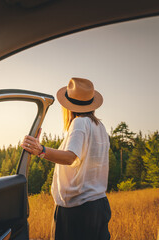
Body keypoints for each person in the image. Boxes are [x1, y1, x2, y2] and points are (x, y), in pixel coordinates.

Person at [22, 77, 111, 240]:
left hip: (77, 209)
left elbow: (71, 157)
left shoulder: (79, 123)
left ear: (68, 106)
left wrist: (40, 150)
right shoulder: (100, 127)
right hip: (99, 205)